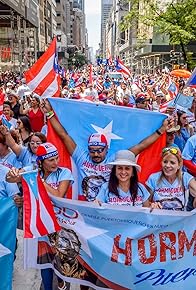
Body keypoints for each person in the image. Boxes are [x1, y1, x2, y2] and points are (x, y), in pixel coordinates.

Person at [41, 99, 173, 201]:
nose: (96, 154)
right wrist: (50, 113)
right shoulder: (81, 157)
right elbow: (64, 135)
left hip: (107, 204)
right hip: (84, 205)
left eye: (100, 150)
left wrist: (161, 131)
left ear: (107, 148)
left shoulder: (115, 159)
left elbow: (141, 146)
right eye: (92, 150)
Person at [7, 142, 74, 290]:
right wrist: (12, 174)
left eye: (57, 158)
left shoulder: (65, 173)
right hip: (41, 227)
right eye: (51, 160)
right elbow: (10, 179)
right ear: (40, 161)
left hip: (60, 228)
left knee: (62, 269)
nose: (56, 162)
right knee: (45, 266)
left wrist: (38, 180)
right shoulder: (32, 171)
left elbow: (58, 195)